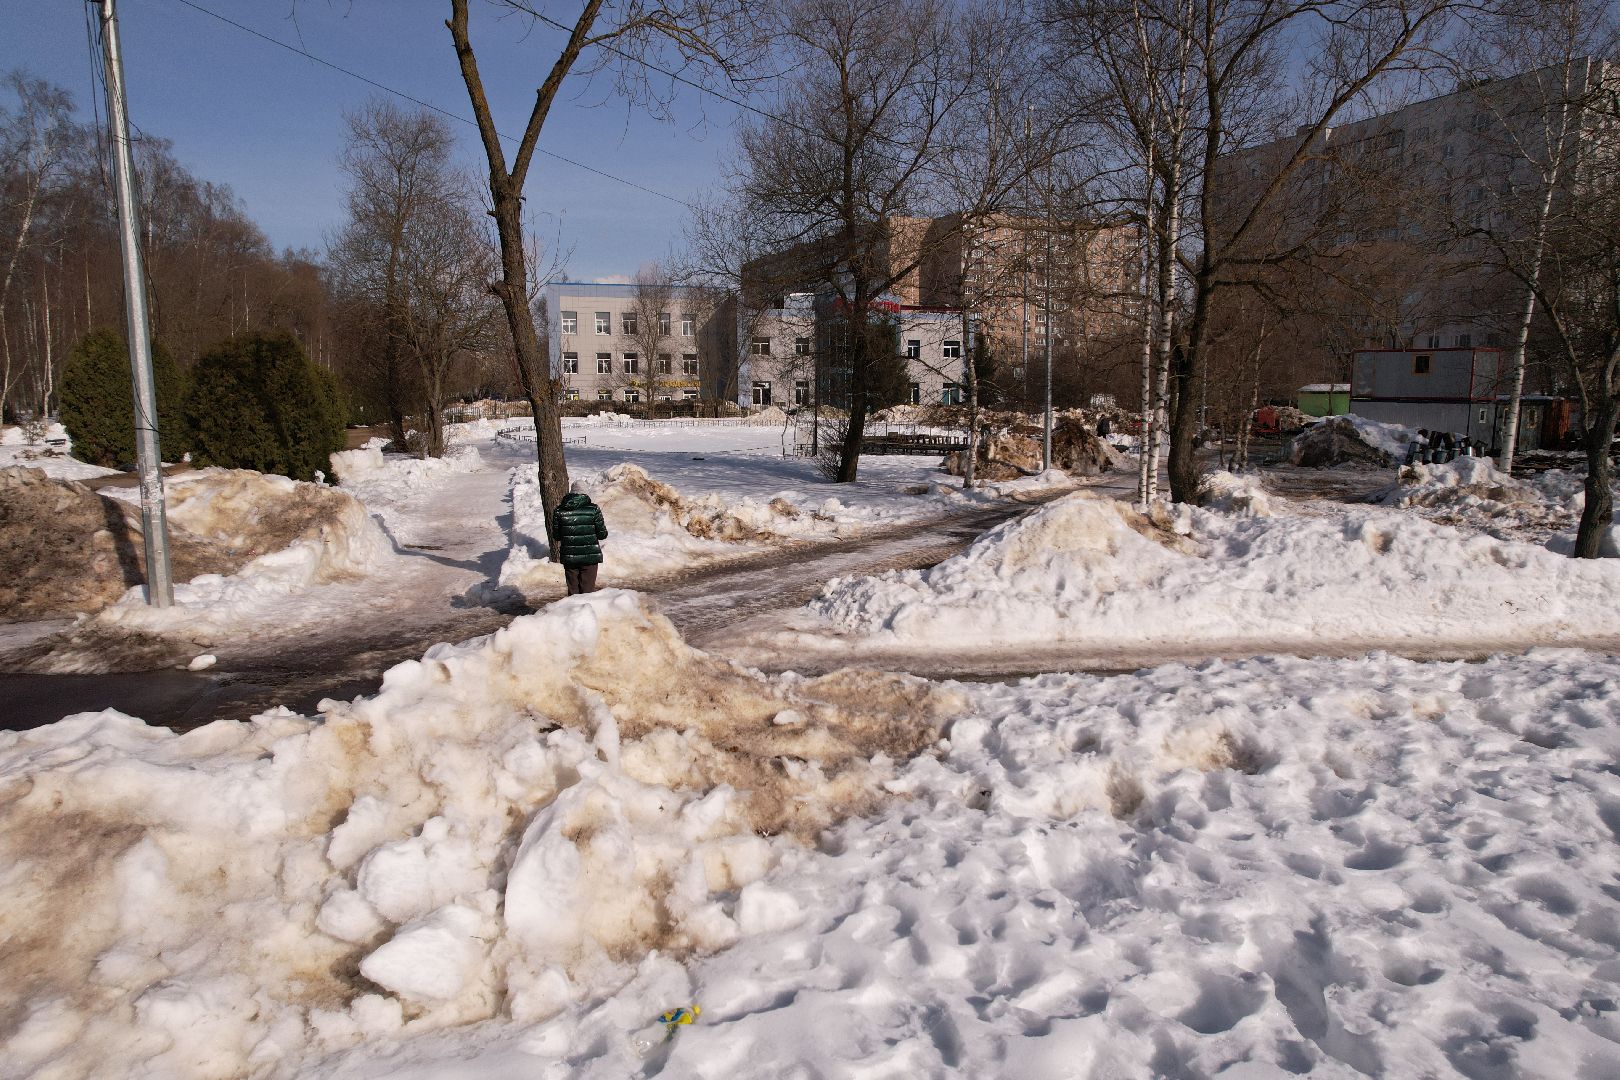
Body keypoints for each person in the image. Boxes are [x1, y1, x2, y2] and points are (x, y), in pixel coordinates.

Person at [553, 480, 608, 595]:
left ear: (571, 493)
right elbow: (602, 535)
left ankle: (573, 611)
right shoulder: (593, 509)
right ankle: (586, 611)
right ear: (585, 493)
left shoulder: (559, 511)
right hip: (590, 556)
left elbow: (556, 536)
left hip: (569, 555)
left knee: (573, 590)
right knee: (587, 590)